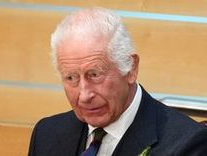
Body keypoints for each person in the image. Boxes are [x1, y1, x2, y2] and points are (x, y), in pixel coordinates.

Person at [28, 7, 207, 156]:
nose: (84, 95)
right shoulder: (46, 134)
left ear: (130, 68)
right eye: (71, 78)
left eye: (94, 75)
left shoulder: (188, 144)